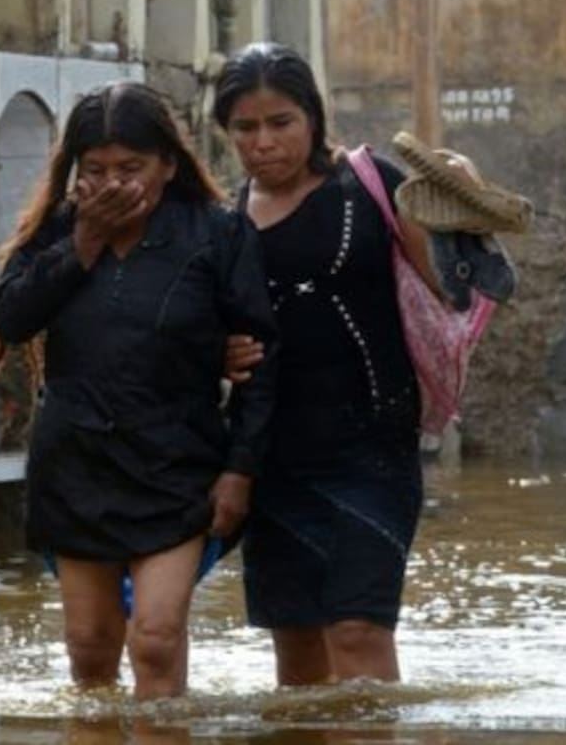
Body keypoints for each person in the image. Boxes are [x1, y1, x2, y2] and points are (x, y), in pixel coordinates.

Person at [0, 82, 277, 700]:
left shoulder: (216, 235)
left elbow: (260, 361)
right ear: (75, 173)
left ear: (168, 165)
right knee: (89, 649)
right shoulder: (59, 232)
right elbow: (10, 318)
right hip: (76, 465)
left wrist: (240, 471)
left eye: (132, 168)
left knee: (157, 636)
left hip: (176, 465)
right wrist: (83, 242)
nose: (114, 184)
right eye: (97, 170)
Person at [214, 43, 431, 685]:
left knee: (360, 631)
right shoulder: (221, 222)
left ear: (311, 116)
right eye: (244, 128)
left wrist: (460, 200)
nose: (263, 143)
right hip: (272, 457)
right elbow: (187, 325)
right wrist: (215, 350)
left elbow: (455, 289)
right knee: (299, 654)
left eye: (280, 123)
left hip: (374, 449)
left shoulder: (373, 186)